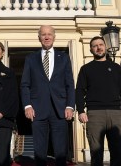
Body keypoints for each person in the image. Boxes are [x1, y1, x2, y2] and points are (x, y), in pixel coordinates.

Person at [20, 25, 75, 166]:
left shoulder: (63, 57)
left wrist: (70, 105)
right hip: (37, 110)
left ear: (54, 37)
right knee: (39, 151)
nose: (46, 37)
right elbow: (25, 84)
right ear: (39, 38)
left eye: (49, 34)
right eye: (43, 34)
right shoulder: (31, 58)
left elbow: (69, 84)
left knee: (61, 151)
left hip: (60, 109)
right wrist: (27, 105)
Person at [75, 36, 121, 166]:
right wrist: (80, 111)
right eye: (95, 46)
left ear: (105, 47)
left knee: (117, 153)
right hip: (94, 115)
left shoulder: (116, 67)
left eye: (101, 44)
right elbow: (79, 91)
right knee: (96, 154)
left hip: (115, 114)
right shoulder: (86, 69)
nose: (98, 47)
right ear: (91, 49)